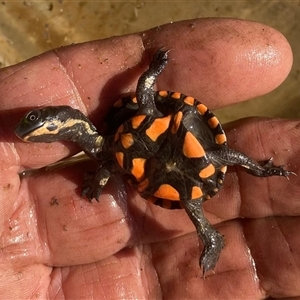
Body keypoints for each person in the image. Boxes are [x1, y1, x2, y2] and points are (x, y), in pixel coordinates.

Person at [0, 18, 299, 299]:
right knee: (208, 171)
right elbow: (110, 164)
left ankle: (256, 175)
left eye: (41, 119)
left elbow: (144, 95)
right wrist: (97, 181)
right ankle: (214, 232)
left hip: (165, 152)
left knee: (208, 167)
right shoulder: (114, 148)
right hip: (176, 159)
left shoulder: (123, 136)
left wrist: (154, 69)